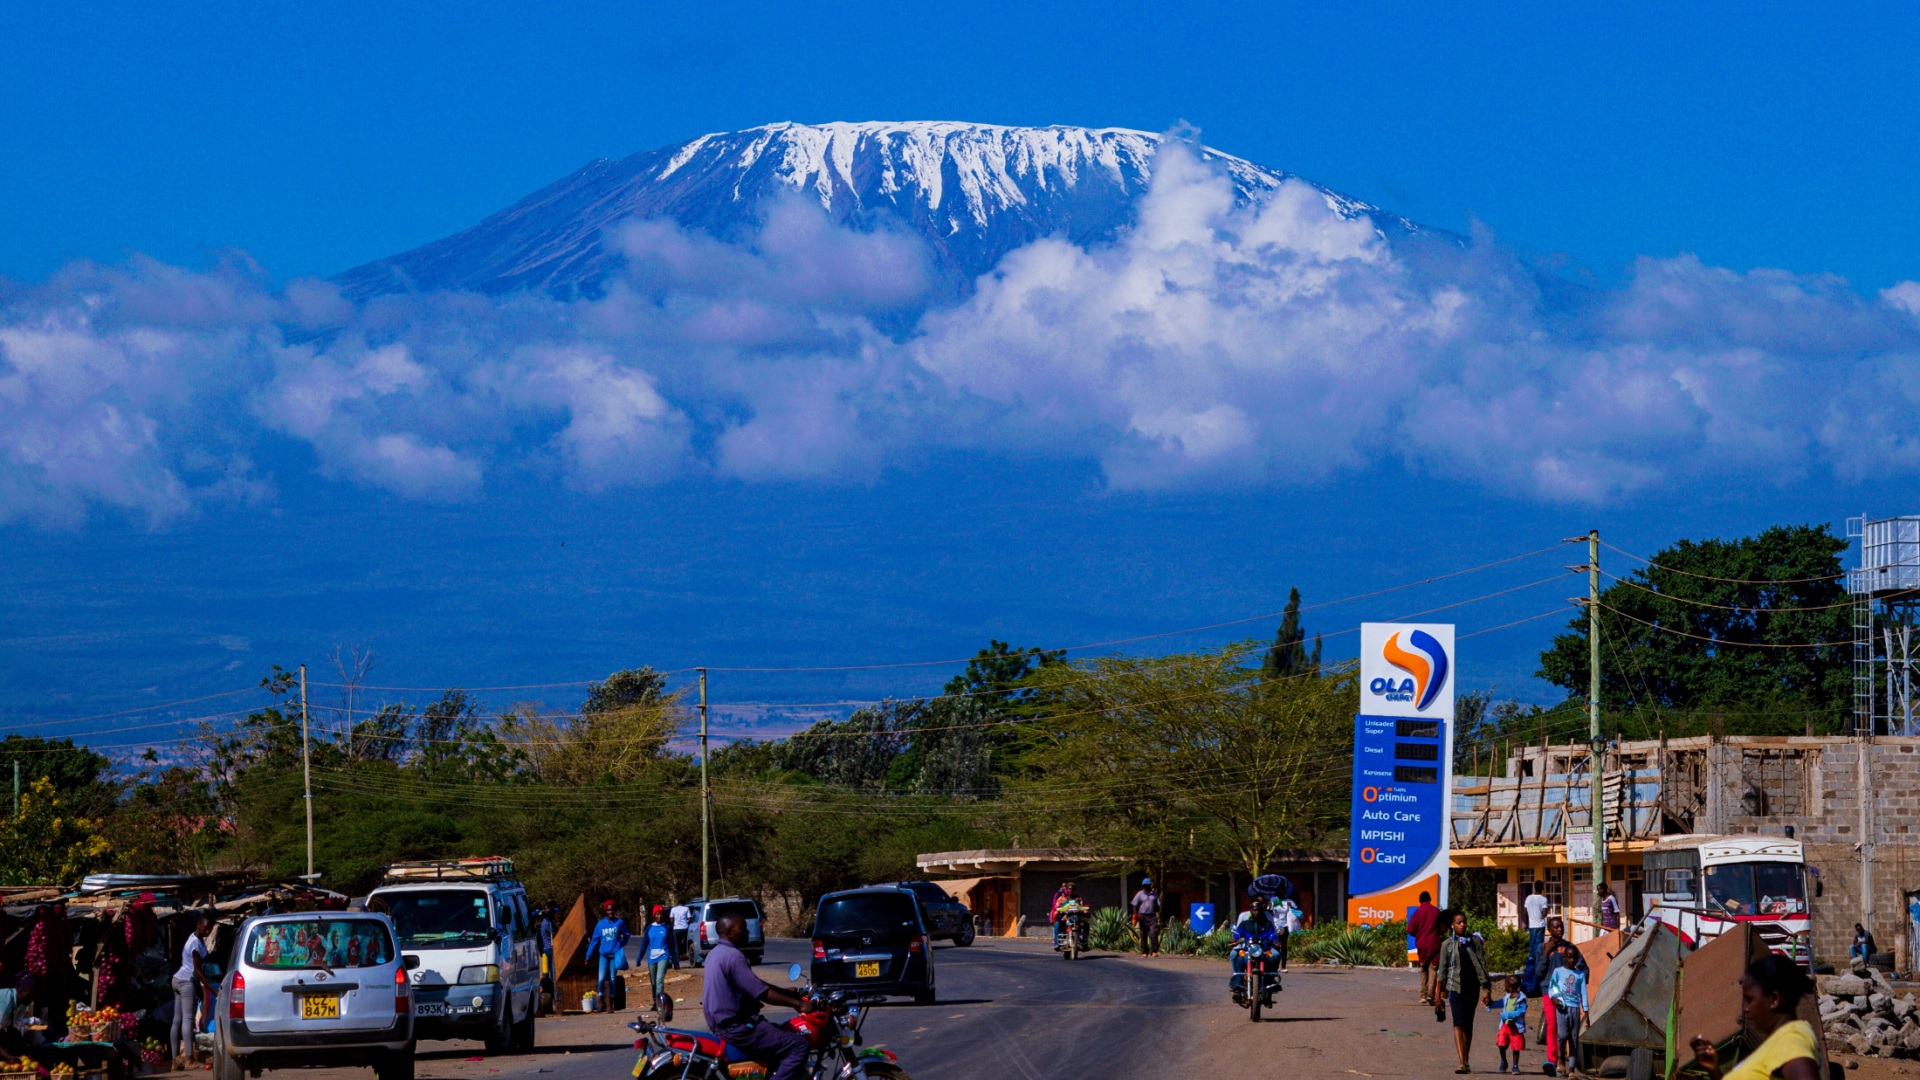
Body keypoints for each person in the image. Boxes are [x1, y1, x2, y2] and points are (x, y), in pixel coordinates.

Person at [702, 913, 809, 1080]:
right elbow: (762, 993)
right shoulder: (733, 956)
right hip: (738, 1027)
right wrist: (798, 1004)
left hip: (722, 1025)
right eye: (742, 928)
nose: (747, 932)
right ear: (729, 933)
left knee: (780, 1030)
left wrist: (786, 991)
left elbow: (754, 984)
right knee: (799, 1045)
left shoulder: (716, 953)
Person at [1687, 954, 1820, 1080]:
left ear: (1774, 999)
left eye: (1749, 1000)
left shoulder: (1791, 1039)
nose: (1745, 1007)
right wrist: (1714, 1070)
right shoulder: (1778, 1042)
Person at [1435, 910, 1493, 1075]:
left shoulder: (1474, 942)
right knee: (1458, 1023)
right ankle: (1461, 1062)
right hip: (1455, 988)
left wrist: (1487, 990)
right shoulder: (1447, 944)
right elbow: (1442, 971)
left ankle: (1466, 1059)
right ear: (1452, 925)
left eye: (1464, 922)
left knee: (1468, 1025)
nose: (1462, 925)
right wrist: (1438, 996)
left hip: (1472, 988)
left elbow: (1482, 965)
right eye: (1458, 922)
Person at [171, 913, 212, 1070]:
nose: (208, 932)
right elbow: (198, 972)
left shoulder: (194, 938)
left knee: (177, 1020)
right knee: (187, 1020)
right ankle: (189, 1059)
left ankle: (175, 1061)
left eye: (210, 929)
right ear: (198, 925)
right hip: (186, 981)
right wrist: (212, 990)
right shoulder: (195, 944)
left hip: (177, 979)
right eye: (206, 928)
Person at [1545, 943, 1589, 1077]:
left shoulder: (1580, 974)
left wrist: (1586, 1012)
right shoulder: (1558, 972)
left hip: (1575, 1009)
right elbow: (1551, 987)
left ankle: (1571, 1070)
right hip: (1562, 1009)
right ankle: (1561, 1060)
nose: (1572, 960)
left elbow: (1583, 993)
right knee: (1563, 1036)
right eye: (1569, 957)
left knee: (1574, 1039)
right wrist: (1554, 999)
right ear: (1564, 957)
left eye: (1574, 958)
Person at [583, 901, 629, 1013]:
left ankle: (610, 1004)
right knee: (601, 978)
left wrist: (620, 945)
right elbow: (594, 941)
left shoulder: (619, 922)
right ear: (605, 911)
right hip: (603, 955)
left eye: (612, 909)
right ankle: (601, 1001)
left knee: (613, 978)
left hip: (614, 955)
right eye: (608, 910)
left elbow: (627, 934)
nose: (610, 912)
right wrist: (588, 956)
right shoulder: (600, 924)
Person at [1408, 890, 1443, 1005]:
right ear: (1430, 899)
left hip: (1422, 944)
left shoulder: (1417, 912)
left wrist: (1419, 935)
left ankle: (1423, 995)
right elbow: (1443, 928)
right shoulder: (1436, 911)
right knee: (1433, 969)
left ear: (1420, 900)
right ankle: (1430, 995)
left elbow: (1410, 929)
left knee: (1423, 969)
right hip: (1434, 943)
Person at [1496, 973, 1528, 1075]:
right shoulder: (1507, 997)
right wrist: (1490, 1003)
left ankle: (1515, 1065)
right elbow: (1500, 1003)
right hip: (1505, 1026)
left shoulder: (1521, 999)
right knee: (1501, 1043)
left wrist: (1508, 1015)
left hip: (1516, 1027)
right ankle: (1503, 1061)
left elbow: (1521, 1011)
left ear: (1510, 987)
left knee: (1516, 1046)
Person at [1522, 883, 1551, 991]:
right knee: (1539, 947)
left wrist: (1530, 918)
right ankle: (1537, 966)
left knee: (1532, 947)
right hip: (1540, 925)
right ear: (1542, 888)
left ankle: (1531, 966)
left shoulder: (1528, 898)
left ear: (1534, 887)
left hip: (1532, 926)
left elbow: (1525, 912)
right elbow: (1544, 914)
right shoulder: (1543, 899)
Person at [644, 906, 672, 1013]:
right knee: (654, 983)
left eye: (661, 914)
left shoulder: (667, 927)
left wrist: (675, 960)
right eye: (657, 914)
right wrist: (639, 958)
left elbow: (671, 944)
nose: (659, 916)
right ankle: (655, 1000)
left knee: (659, 980)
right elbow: (644, 944)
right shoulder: (649, 928)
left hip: (663, 955)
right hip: (652, 957)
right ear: (654, 915)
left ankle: (659, 1004)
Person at [1130, 879, 1161, 958]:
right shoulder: (1140, 894)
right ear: (1143, 886)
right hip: (1143, 916)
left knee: (1153, 933)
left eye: (1148, 885)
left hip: (1152, 916)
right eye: (1145, 885)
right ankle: (1145, 952)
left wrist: (1158, 914)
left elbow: (1158, 905)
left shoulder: (1154, 894)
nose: (1146, 887)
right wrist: (1135, 914)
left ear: (1150, 885)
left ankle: (1154, 951)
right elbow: (1134, 904)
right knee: (1143, 934)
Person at [1275, 895, 1303, 970]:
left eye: (1283, 891)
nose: (1281, 892)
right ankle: (1275, 965)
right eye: (1279, 891)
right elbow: (1268, 910)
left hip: (1285, 925)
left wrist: (1291, 906)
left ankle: (1283, 966)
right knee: (1275, 946)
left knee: (1283, 946)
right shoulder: (1273, 900)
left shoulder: (1289, 901)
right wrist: (1271, 906)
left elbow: (1297, 911)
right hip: (1274, 925)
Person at [1049, 882, 1079, 951]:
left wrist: (1084, 910)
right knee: (1057, 924)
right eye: (1069, 888)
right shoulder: (1062, 897)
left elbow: (1081, 905)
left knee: (1085, 924)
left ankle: (1084, 943)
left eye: (1072, 889)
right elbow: (1057, 906)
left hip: (1075, 916)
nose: (1070, 890)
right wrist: (1057, 911)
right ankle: (1056, 944)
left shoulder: (1077, 898)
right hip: (1065, 916)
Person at [669, 901, 692, 970]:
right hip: (685, 928)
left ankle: (677, 964)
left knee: (676, 946)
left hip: (676, 929)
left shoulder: (673, 909)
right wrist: (687, 922)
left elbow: (671, 919)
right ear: (683, 904)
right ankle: (686, 954)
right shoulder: (686, 909)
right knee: (686, 943)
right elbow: (689, 918)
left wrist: (672, 927)